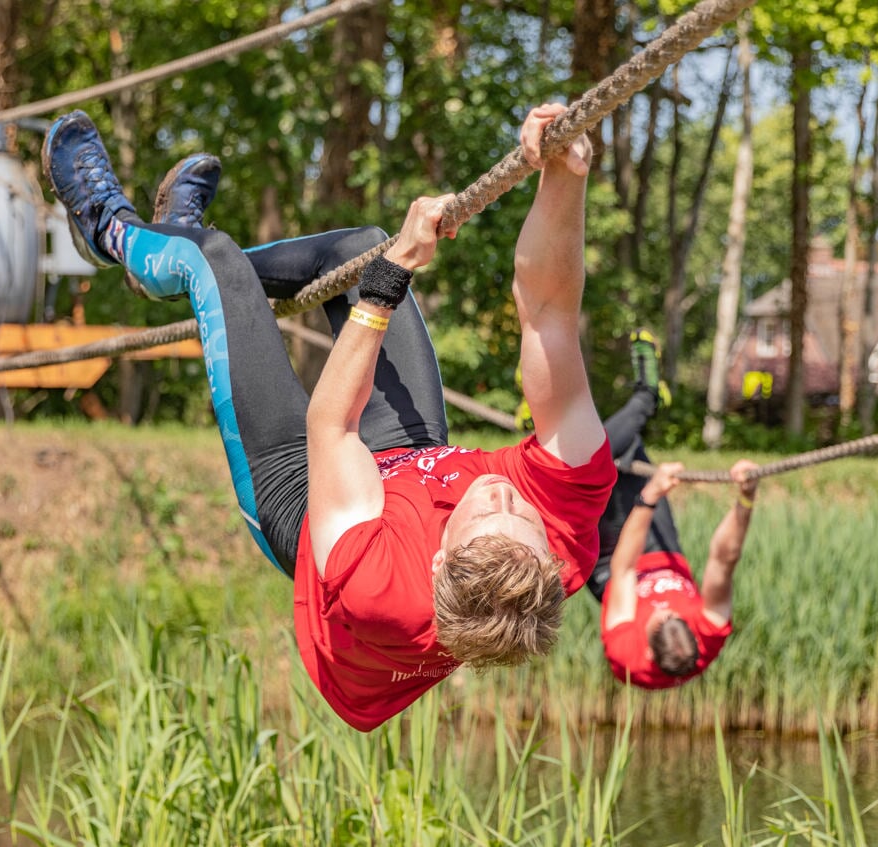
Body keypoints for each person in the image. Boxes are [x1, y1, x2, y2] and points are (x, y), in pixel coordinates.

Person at [44, 102, 617, 732]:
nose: (504, 494)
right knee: (360, 249)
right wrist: (566, 173)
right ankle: (171, 255)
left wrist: (394, 276)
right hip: (406, 464)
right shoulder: (564, 517)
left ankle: (108, 228)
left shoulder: (383, 585)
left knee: (226, 266)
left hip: (305, 505)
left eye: (486, 514)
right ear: (550, 556)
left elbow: (331, 425)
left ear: (439, 557)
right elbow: (550, 313)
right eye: (522, 517)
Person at [586, 331, 760, 689]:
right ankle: (639, 398)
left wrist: (650, 496)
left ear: (649, 651)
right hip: (664, 553)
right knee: (624, 448)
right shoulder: (708, 629)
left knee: (590, 462)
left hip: (609, 563)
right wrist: (745, 498)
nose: (663, 607)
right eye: (673, 614)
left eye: (657, 619)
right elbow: (723, 560)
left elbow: (623, 569)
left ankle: (646, 396)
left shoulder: (627, 654)